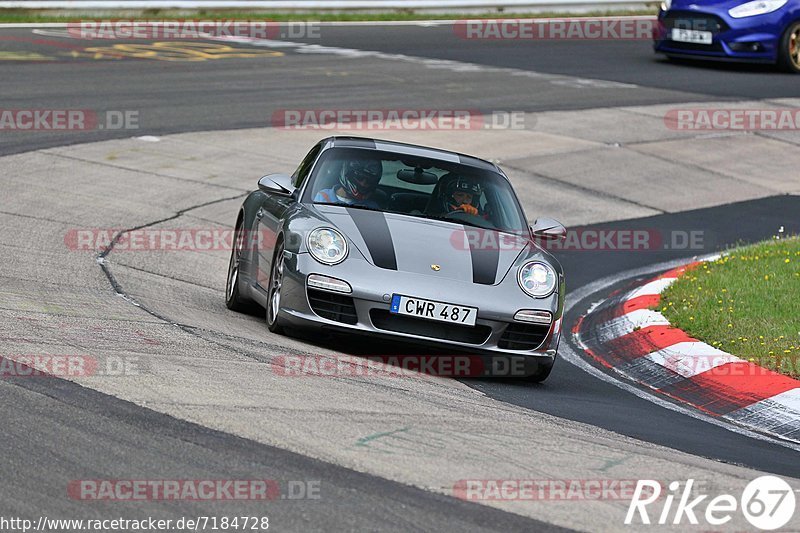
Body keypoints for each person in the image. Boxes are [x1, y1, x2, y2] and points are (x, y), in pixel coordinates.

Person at [314, 157, 383, 208]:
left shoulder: (371, 206)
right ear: (347, 174)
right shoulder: (323, 197)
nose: (363, 184)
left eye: (369, 181)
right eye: (360, 178)